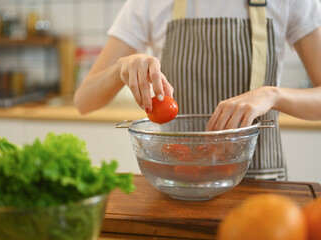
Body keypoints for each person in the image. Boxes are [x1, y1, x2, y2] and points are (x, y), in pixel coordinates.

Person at [74, 0, 321, 180]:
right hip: (177, 184)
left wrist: (271, 94)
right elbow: (84, 101)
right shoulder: (148, 4)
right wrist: (121, 68)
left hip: (259, 187)